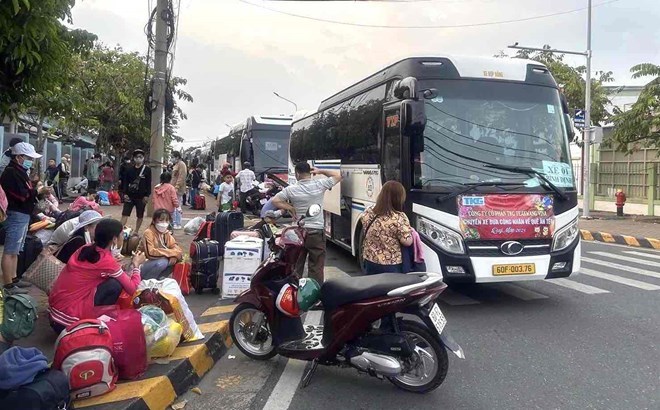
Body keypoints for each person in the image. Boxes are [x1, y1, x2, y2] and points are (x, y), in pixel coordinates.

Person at [48, 218, 145, 334]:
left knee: (113, 279)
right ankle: (96, 323)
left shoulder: (85, 248)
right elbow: (133, 289)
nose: (123, 238)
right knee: (115, 285)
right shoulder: (107, 262)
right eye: (122, 235)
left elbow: (94, 270)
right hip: (68, 323)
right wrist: (136, 265)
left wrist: (116, 265)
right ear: (114, 239)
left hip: (55, 314)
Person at [272, 162, 342, 283]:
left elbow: (275, 200)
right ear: (309, 172)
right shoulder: (320, 184)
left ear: (297, 174)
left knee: (297, 264)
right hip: (316, 232)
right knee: (316, 265)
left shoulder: (291, 189)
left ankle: (295, 291)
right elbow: (337, 176)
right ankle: (314, 292)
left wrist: (290, 207)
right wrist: (320, 171)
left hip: (299, 232)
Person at [0, 142, 48, 294]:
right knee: (10, 250)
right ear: (19, 157)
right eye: (29, 158)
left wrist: (36, 191)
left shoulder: (20, 171)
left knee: (16, 250)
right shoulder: (11, 173)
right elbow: (21, 195)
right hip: (16, 214)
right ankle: (8, 285)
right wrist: (37, 191)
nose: (31, 161)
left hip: (22, 214)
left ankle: (14, 279)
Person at [360, 181, 413, 275]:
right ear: (399, 198)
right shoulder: (399, 217)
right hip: (391, 264)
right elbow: (407, 242)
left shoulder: (369, 212)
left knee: (374, 288)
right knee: (390, 289)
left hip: (370, 261)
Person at [138, 209, 183, 280]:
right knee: (163, 262)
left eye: (166, 220)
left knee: (176, 260)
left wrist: (174, 256)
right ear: (154, 221)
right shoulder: (148, 232)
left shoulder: (166, 234)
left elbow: (177, 250)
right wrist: (171, 254)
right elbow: (150, 253)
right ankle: (146, 281)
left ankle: (158, 279)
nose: (164, 223)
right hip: (142, 264)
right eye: (161, 220)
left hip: (156, 263)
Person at [120, 149, 152, 233]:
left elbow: (149, 183)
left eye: (140, 157)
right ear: (133, 158)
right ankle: (119, 231)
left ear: (143, 158)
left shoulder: (147, 170)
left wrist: (147, 195)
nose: (138, 158)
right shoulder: (129, 169)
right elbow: (125, 182)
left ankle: (136, 231)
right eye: (136, 157)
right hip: (129, 196)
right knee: (125, 214)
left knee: (140, 215)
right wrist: (125, 193)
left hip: (141, 197)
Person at [170, 151, 187, 229]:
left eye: (172, 157)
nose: (171, 158)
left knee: (177, 205)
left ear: (177, 157)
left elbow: (181, 177)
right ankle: (174, 222)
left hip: (177, 189)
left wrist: (177, 187)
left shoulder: (181, 164)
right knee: (174, 206)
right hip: (173, 188)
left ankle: (178, 223)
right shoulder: (177, 164)